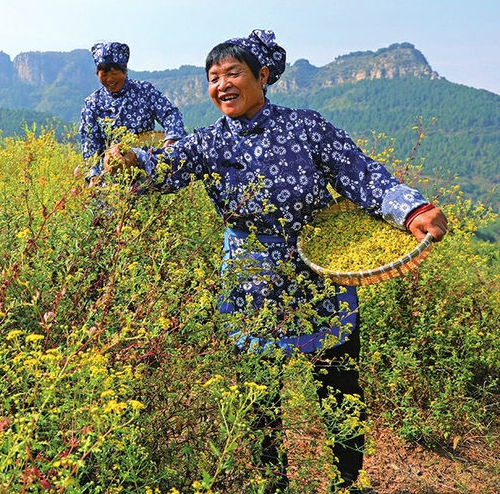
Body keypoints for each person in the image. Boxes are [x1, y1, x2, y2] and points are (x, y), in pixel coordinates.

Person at [106, 30, 447, 493]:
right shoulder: (207, 142)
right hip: (250, 278)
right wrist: (129, 160)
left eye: (233, 73)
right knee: (259, 395)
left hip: (319, 267)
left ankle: (348, 482)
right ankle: (272, 483)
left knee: (339, 387)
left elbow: (362, 174)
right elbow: (163, 165)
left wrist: (413, 210)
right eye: (213, 77)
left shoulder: (307, 126)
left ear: (262, 76)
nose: (221, 84)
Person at [78, 41, 185, 185]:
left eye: (114, 73)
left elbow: (170, 114)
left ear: (125, 70)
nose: (110, 79)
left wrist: (171, 139)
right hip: (110, 173)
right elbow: (90, 144)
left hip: (145, 168)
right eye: (104, 74)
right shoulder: (92, 103)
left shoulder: (144, 91)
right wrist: (93, 176)